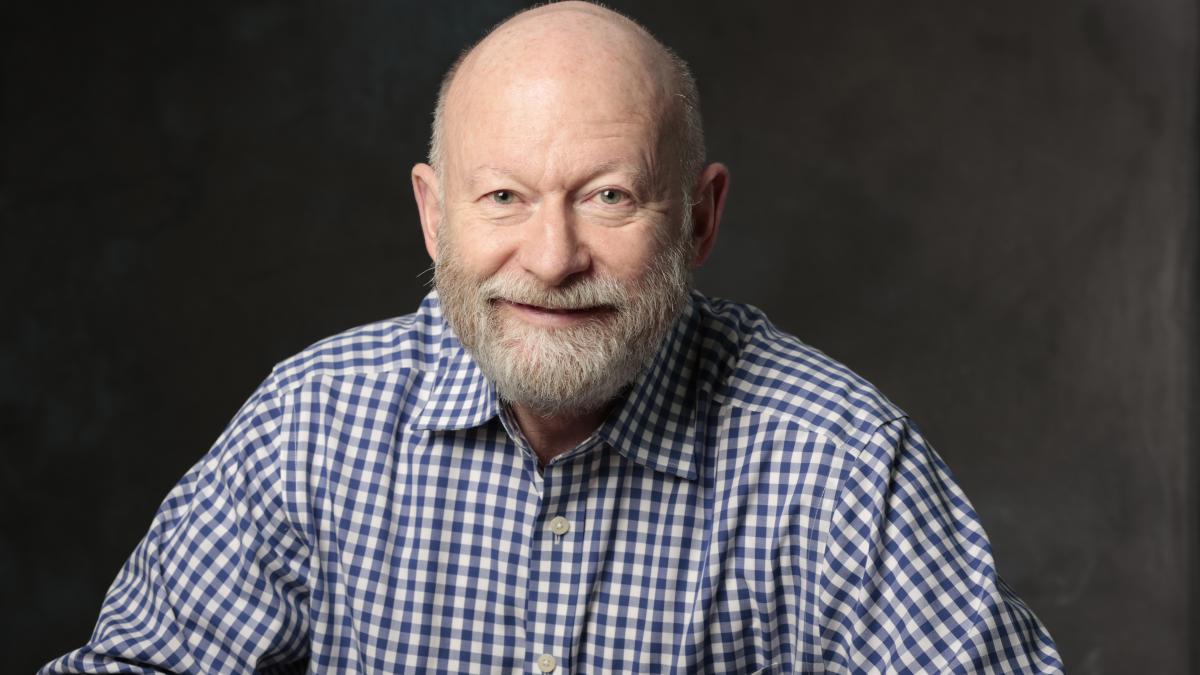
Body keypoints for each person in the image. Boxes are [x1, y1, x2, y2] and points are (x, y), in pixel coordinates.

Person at [43, 2, 1062, 673]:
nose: (552, 255)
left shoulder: (835, 460)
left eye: (608, 196)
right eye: (503, 197)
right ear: (435, 216)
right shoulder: (315, 422)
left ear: (700, 220)